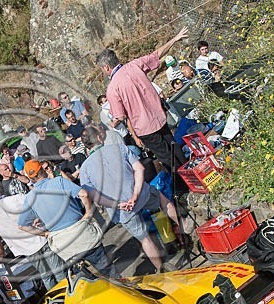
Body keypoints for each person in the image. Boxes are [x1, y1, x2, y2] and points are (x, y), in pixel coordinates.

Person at [79, 125, 184, 272]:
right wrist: (135, 194)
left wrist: (117, 205)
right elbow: (140, 168)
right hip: (140, 194)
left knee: (144, 239)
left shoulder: (84, 169)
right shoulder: (119, 148)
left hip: (122, 209)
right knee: (162, 200)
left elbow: (94, 196)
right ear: (98, 137)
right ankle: (182, 230)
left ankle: (162, 269)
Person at [96, 27, 190, 192]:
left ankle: (184, 186)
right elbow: (156, 54)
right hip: (159, 116)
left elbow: (120, 116)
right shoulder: (135, 65)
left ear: (105, 67)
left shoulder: (112, 88)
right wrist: (174, 39)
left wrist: (112, 120)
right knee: (174, 146)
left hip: (145, 128)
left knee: (166, 157)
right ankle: (191, 173)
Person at [17, 160, 116, 276]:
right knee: (109, 273)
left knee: (83, 280)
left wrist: (45, 233)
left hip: (64, 245)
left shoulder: (30, 198)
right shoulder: (59, 181)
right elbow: (84, 194)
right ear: (42, 170)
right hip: (82, 235)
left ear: (30, 178)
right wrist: (88, 212)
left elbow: (22, 226)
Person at [0, 181, 67, 290]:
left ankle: (57, 297)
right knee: (59, 270)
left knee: (46, 276)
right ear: (2, 189)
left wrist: (1, 252)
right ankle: (69, 293)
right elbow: (37, 207)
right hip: (40, 237)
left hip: (24, 248)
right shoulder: (18, 198)